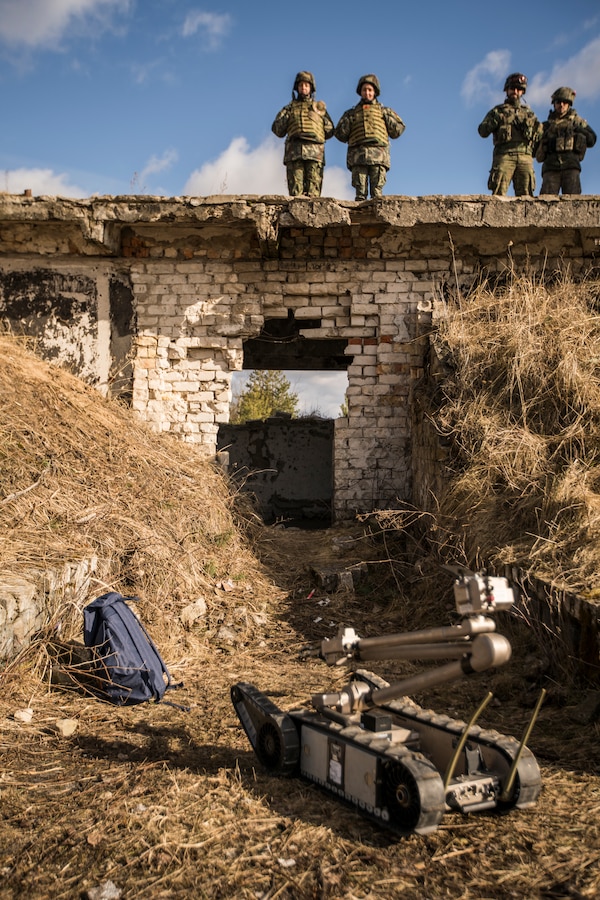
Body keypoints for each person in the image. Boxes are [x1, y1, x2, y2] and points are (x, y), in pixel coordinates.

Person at [335, 74, 405, 201]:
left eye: (370, 90)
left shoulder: (384, 111)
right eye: (364, 90)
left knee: (377, 196)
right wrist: (349, 121)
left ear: (375, 92)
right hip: (358, 156)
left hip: (378, 156)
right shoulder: (351, 113)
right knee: (360, 195)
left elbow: (398, 131)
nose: (367, 93)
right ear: (360, 92)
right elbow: (340, 135)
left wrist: (387, 119)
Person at [271, 71, 334, 198]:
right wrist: (287, 117)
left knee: (314, 195)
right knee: (296, 195)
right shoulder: (289, 108)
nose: (304, 88)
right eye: (301, 86)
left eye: (306, 85)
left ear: (311, 88)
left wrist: (320, 117)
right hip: (294, 153)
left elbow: (330, 131)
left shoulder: (319, 109)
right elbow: (278, 130)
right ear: (297, 88)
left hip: (315, 153)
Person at [478, 73, 542, 197]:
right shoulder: (497, 111)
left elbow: (539, 136)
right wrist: (496, 119)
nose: (515, 92)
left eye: (519, 89)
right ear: (506, 90)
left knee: (526, 197)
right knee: (498, 195)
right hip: (504, 156)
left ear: (523, 92)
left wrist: (530, 130)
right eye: (512, 88)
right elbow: (482, 131)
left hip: (525, 157)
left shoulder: (529, 114)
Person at [537, 87, 596, 195]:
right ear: (554, 104)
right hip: (551, 167)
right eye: (558, 102)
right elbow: (535, 147)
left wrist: (579, 130)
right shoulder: (546, 125)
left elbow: (592, 140)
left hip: (571, 166)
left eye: (565, 102)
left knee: (573, 203)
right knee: (545, 203)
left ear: (569, 104)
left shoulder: (578, 122)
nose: (561, 105)